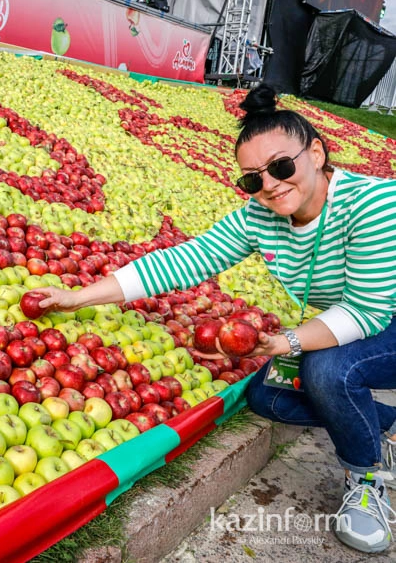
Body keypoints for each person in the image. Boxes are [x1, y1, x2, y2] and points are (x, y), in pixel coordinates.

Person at [33, 83, 396, 554]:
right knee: (268, 398)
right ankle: (374, 423)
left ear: (318, 153)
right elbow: (186, 260)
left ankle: (365, 475)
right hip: (356, 317)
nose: (270, 184)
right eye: (253, 178)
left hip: (382, 314)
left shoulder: (372, 204)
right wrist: (79, 297)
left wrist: (285, 342)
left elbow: (368, 309)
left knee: (326, 370)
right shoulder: (260, 216)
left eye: (282, 166)